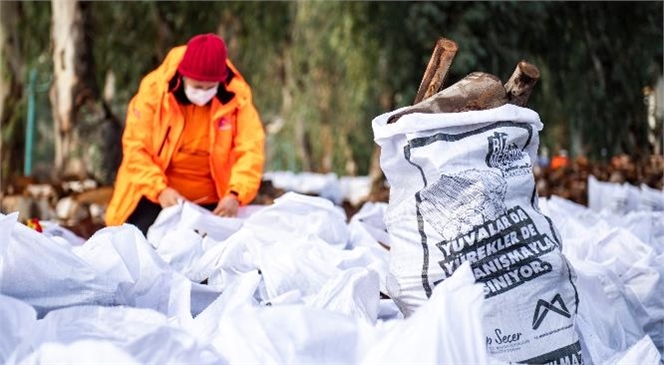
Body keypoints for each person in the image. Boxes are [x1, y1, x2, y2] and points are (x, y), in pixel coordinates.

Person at [104, 33, 265, 235]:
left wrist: (235, 194)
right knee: (137, 248)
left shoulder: (237, 99)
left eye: (210, 88)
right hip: (155, 196)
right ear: (183, 75)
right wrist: (160, 191)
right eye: (197, 86)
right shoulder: (154, 92)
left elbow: (251, 151)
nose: (203, 93)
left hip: (213, 205)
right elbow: (135, 149)